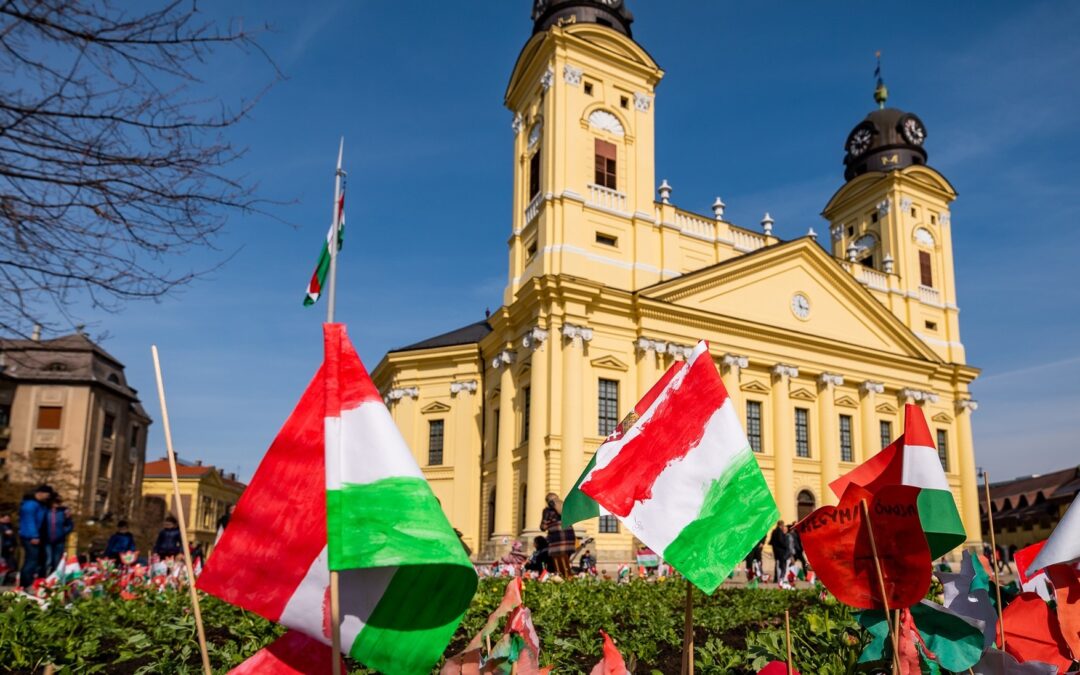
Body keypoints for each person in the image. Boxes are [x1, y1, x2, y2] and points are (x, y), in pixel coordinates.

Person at [18, 485, 52, 586]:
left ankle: (32, 582)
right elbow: (30, 522)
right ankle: (25, 583)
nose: (48, 497)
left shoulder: (39, 505)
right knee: (31, 560)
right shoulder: (30, 505)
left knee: (36, 559)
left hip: (36, 536)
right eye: (47, 495)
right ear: (40, 493)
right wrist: (34, 536)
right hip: (30, 536)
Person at [539, 493, 575, 578]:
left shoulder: (547, 511)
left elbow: (543, 527)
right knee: (566, 562)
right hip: (569, 539)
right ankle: (569, 578)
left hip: (557, 541)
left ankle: (561, 579)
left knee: (558, 567)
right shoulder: (565, 508)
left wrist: (547, 524)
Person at [43, 495, 74, 572]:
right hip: (47, 540)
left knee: (57, 561)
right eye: (55, 502)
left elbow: (70, 525)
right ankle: (45, 577)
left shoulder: (62, 513)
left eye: (58, 502)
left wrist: (64, 532)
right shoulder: (46, 512)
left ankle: (55, 578)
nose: (56, 504)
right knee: (48, 560)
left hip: (59, 540)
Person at [769, 520, 790, 585]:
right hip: (781, 551)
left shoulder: (774, 531)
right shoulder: (779, 531)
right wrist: (786, 546)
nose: (783, 527)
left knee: (777, 564)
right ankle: (781, 578)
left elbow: (771, 541)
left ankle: (776, 578)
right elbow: (781, 541)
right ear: (781, 525)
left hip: (775, 550)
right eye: (783, 525)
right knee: (782, 565)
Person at [1, 513, 16, 584]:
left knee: (11, 565)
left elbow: (12, 537)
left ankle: (8, 580)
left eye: (8, 519)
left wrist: (12, 545)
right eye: (6, 519)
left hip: (8, 548)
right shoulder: (1, 526)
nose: (7, 520)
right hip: (2, 548)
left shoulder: (9, 526)